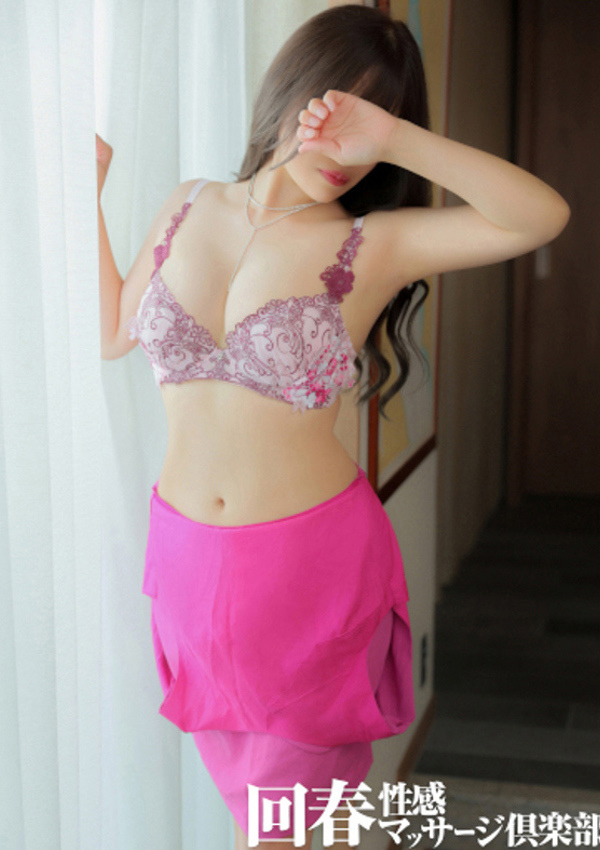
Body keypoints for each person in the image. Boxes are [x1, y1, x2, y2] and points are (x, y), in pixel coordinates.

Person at [96, 6, 570, 848]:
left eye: (371, 132)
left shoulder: (371, 243)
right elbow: (114, 333)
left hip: (306, 573)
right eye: (339, 113)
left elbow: (539, 216)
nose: (348, 152)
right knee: (282, 818)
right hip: (189, 566)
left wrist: (398, 139)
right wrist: (84, 196)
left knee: (278, 828)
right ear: (292, 93)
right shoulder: (187, 203)